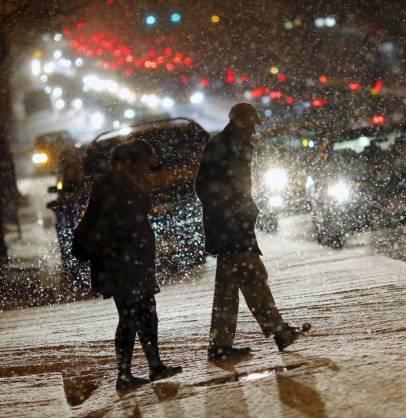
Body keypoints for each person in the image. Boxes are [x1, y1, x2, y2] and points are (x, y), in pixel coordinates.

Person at [195, 103, 308, 361]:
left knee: (229, 287)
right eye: (251, 124)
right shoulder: (225, 146)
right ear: (239, 122)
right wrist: (231, 206)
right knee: (253, 277)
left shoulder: (231, 144)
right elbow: (204, 186)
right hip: (230, 227)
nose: (254, 129)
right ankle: (278, 331)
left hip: (232, 225)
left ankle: (221, 345)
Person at [76, 140, 182, 390]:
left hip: (135, 260)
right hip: (120, 263)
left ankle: (155, 366)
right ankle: (124, 375)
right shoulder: (110, 183)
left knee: (147, 313)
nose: (150, 164)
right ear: (133, 160)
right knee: (129, 316)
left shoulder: (132, 180)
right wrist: (125, 250)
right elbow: (109, 223)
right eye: (147, 159)